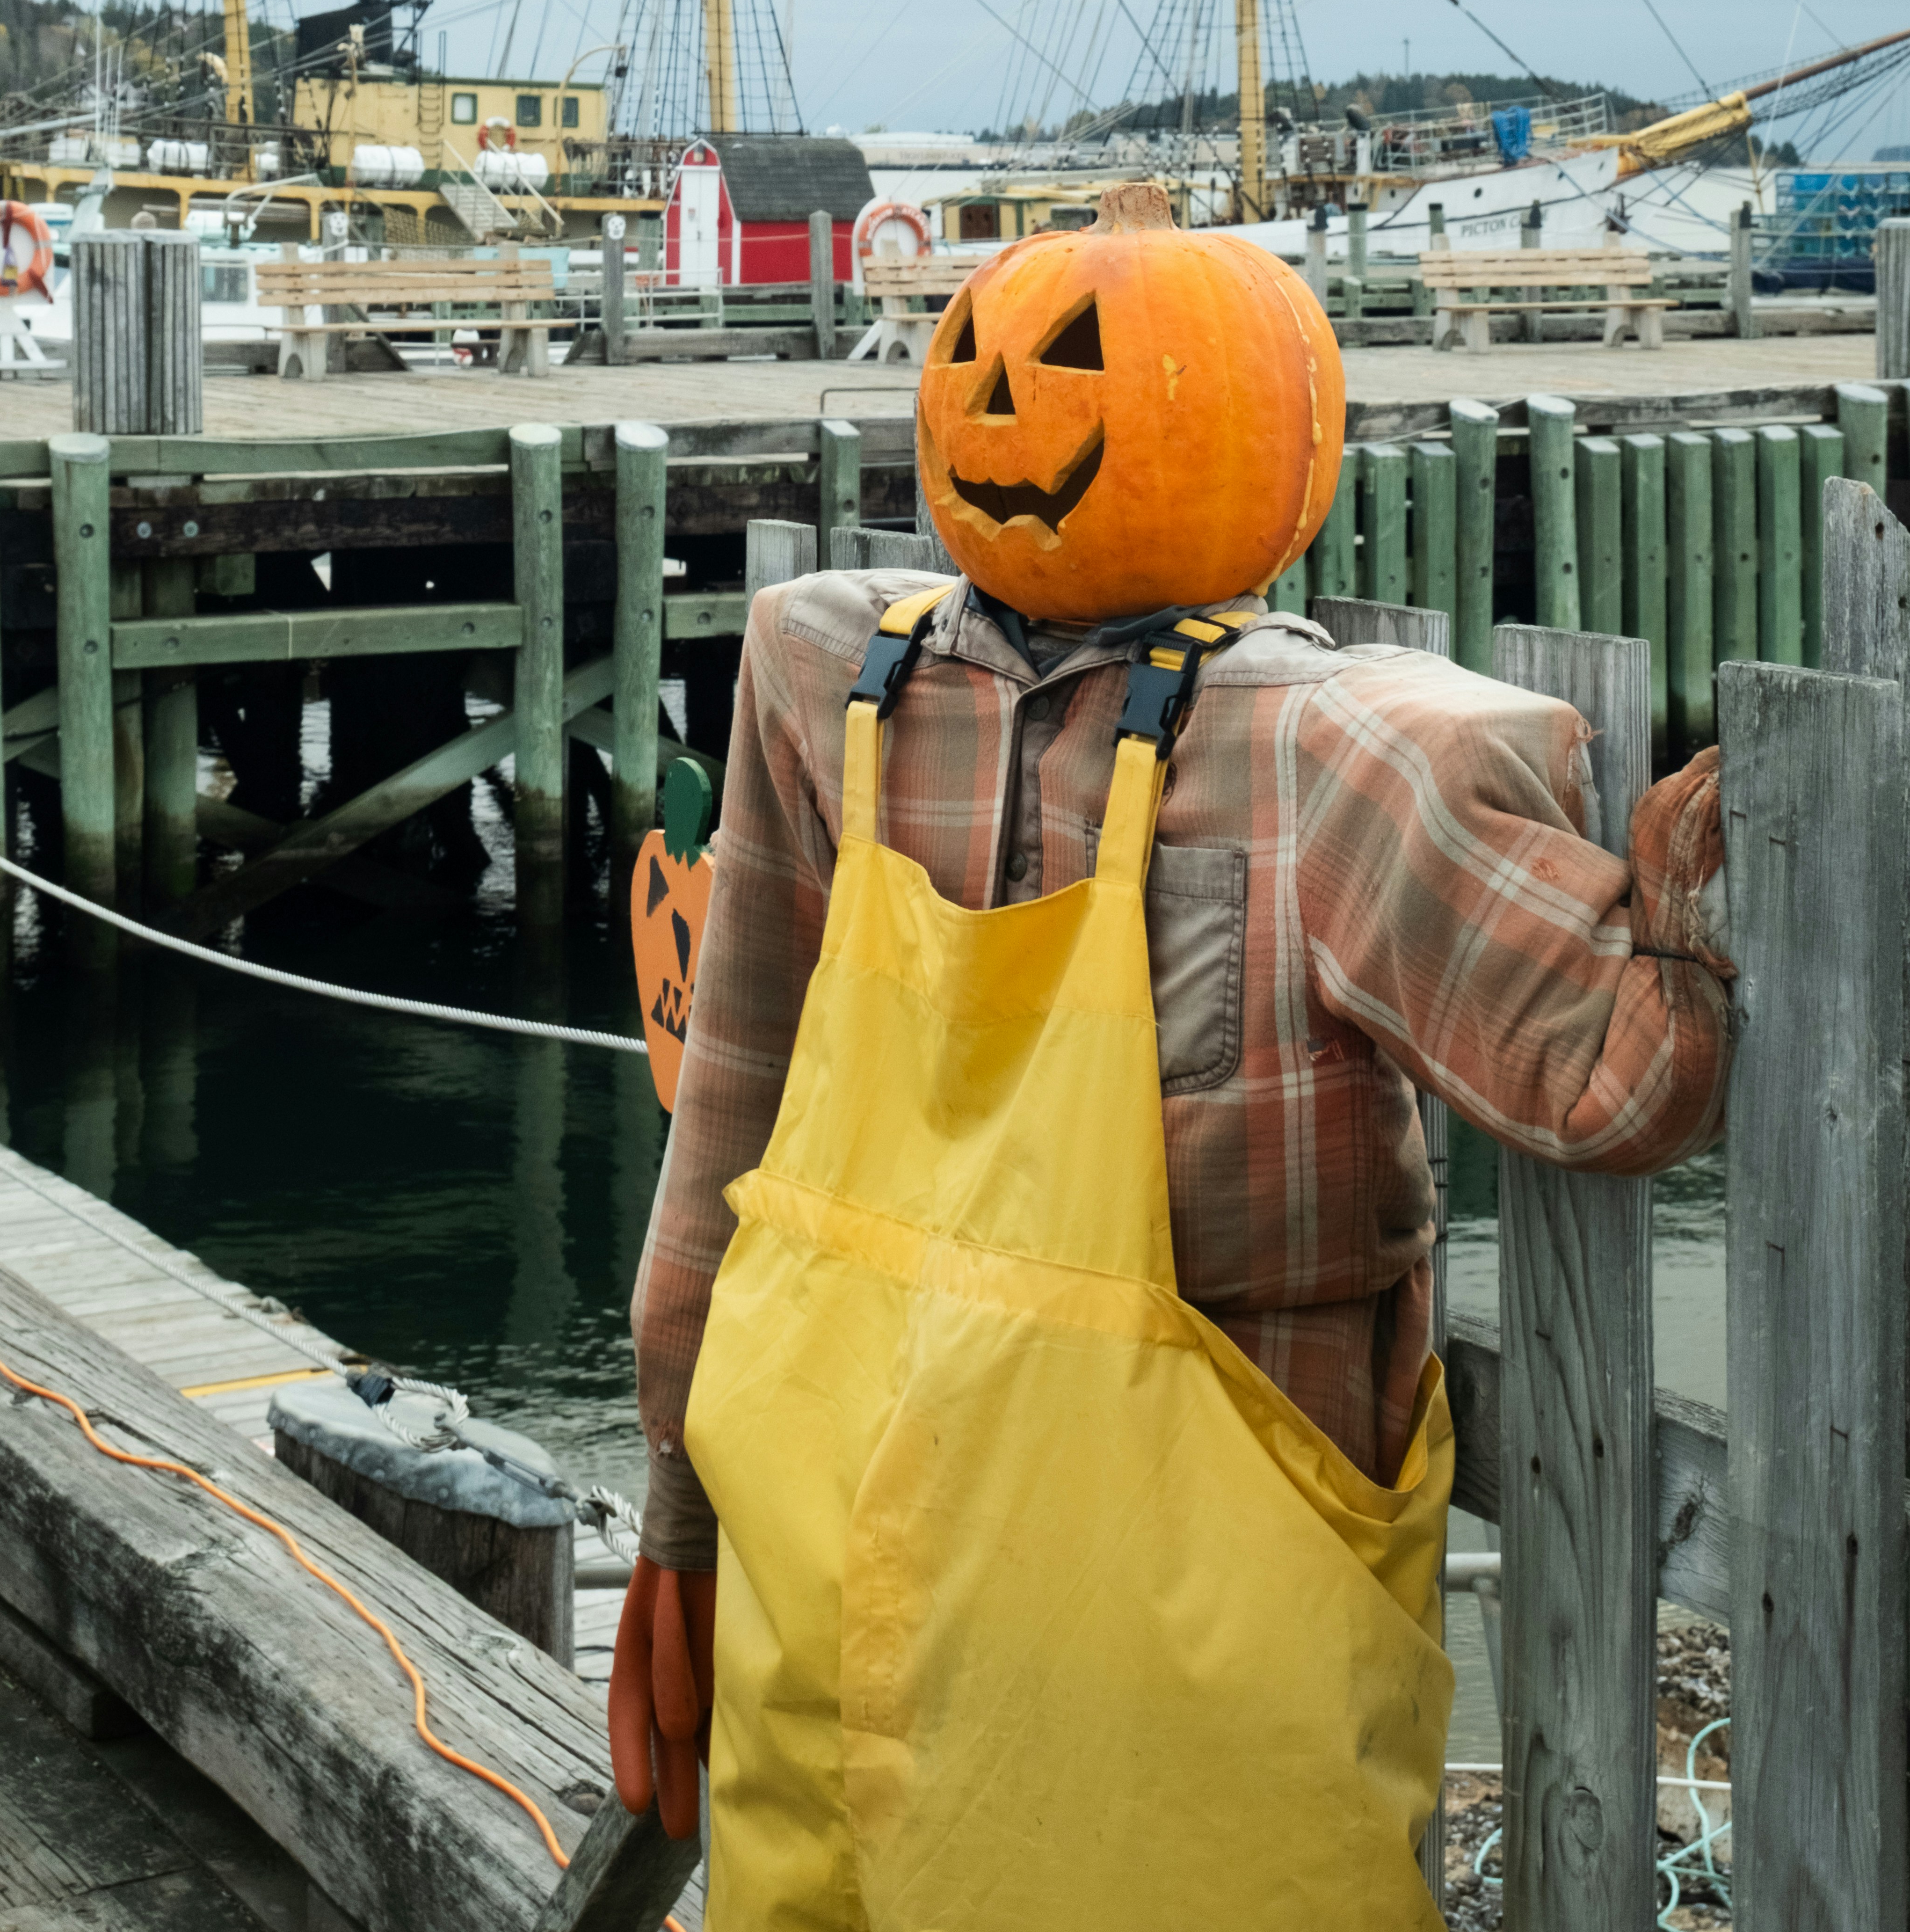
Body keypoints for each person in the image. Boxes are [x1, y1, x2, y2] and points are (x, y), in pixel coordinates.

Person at [610, 188, 1733, 1925]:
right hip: (1059, 1584)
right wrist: (1702, 906)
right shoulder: (1308, 751)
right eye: (982, 360)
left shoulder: (861, 681)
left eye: (1066, 367)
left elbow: (724, 1142)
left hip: (959, 1557)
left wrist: (679, 1514)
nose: (1009, 413)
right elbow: (1621, 1082)